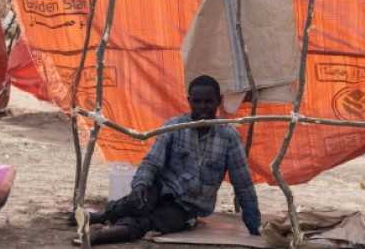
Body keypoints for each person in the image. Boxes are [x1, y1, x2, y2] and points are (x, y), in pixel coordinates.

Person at [84, 75, 261, 245]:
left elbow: (243, 183)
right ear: (189, 100)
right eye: (197, 102)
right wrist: (141, 184)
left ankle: (99, 236)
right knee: (135, 204)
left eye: (208, 102)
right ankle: (101, 217)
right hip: (161, 189)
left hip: (188, 208)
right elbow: (151, 162)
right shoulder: (173, 126)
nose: (202, 107)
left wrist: (254, 224)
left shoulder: (229, 137)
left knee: (152, 222)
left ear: (219, 101)